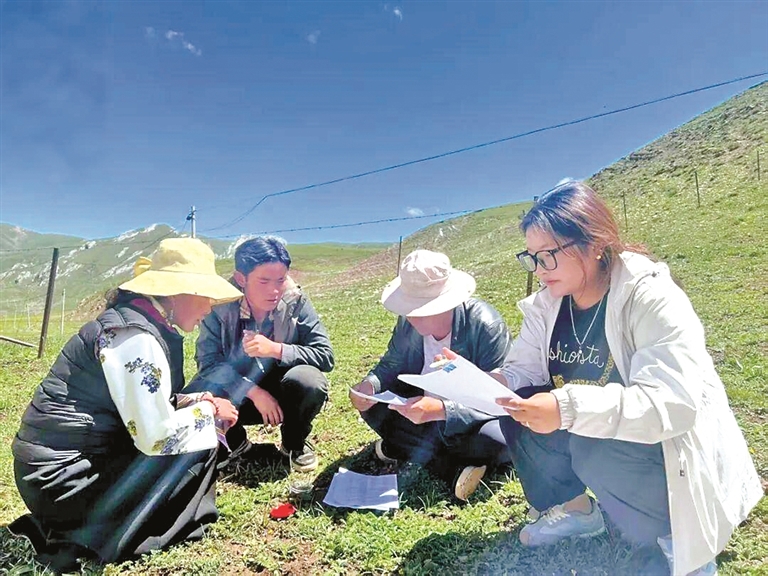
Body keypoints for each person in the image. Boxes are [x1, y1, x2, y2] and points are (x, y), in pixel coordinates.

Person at [491, 182, 762, 576]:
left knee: (591, 445)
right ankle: (577, 511)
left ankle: (678, 539)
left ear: (594, 243)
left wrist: (565, 408)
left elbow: (670, 403)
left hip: (665, 445)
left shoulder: (649, 295)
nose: (539, 270)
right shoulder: (547, 305)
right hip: (595, 426)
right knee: (518, 407)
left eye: (548, 255)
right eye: (532, 258)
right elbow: (524, 371)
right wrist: (481, 384)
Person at [9, 238, 243, 571]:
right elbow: (155, 436)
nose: (209, 308)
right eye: (204, 296)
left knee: (197, 429)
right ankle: (126, 534)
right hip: (62, 481)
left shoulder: (135, 324)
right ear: (177, 293)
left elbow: (140, 401)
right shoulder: (135, 338)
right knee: (198, 443)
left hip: (51, 474)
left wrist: (198, 401)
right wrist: (210, 414)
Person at [349, 249, 513, 501]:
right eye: (409, 307)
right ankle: (449, 465)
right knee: (373, 407)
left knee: (498, 439)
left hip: (467, 418)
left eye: (421, 308)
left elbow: (499, 398)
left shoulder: (485, 325)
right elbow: (391, 363)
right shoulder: (407, 323)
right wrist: (370, 385)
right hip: (420, 409)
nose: (412, 316)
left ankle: (407, 448)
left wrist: (443, 410)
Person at [186, 236, 333, 472]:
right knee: (194, 395)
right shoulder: (218, 306)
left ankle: (293, 444)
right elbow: (208, 362)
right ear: (241, 279)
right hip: (238, 392)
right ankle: (238, 445)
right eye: (263, 281)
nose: (274, 291)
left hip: (285, 391)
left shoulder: (296, 300)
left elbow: (324, 355)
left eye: (280, 280)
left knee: (309, 381)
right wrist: (253, 391)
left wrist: (276, 349)